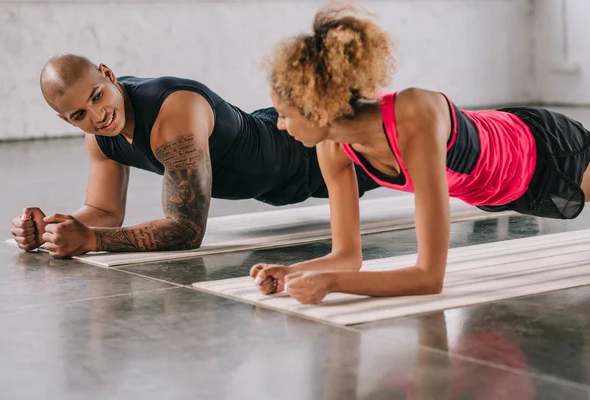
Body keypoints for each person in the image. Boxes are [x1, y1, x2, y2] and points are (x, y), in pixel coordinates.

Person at [250, 4, 590, 304]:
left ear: (318, 111)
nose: (279, 125)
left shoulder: (414, 117)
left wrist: (331, 284)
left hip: (546, 153)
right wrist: (291, 274)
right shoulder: (332, 147)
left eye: (284, 115)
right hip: (497, 190)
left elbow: (429, 277)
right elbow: (347, 256)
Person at [9, 54, 379, 258]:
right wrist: (52, 230)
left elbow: (186, 230)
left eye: (97, 97)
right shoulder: (101, 138)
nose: (98, 116)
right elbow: (105, 213)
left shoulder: (174, 113)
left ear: (108, 74)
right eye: (79, 116)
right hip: (275, 166)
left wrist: (92, 241)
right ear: (66, 120)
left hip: (309, 153)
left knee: (425, 152)